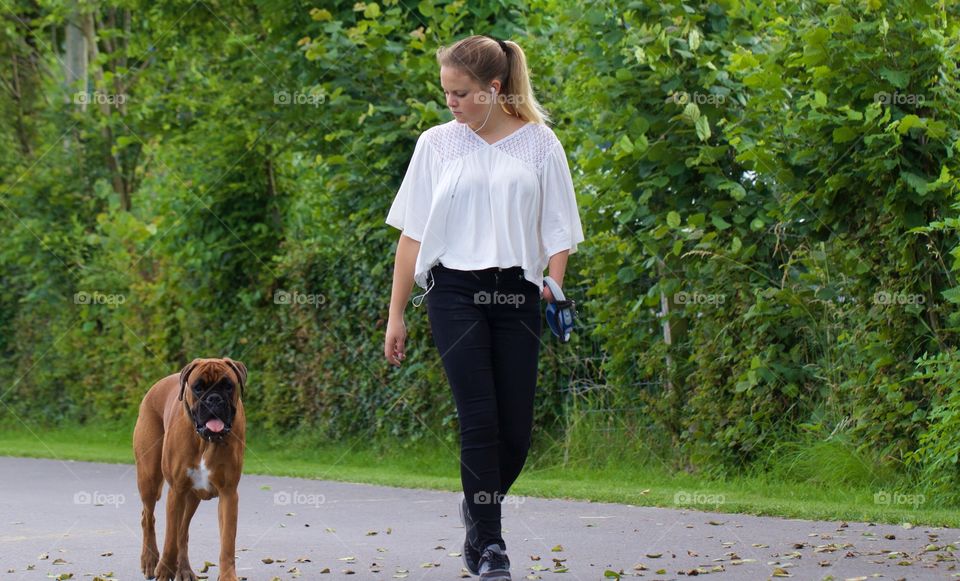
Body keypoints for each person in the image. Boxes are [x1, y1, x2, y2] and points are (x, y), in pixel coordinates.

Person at [383, 34, 584, 581]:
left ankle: (477, 506)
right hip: (453, 293)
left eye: (461, 93)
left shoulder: (541, 144)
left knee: (515, 431)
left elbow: (559, 230)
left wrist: (553, 287)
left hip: (517, 293)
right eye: (446, 92)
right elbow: (411, 237)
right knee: (478, 419)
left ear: (493, 89)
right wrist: (396, 314)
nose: (450, 102)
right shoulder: (436, 145)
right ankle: (491, 546)